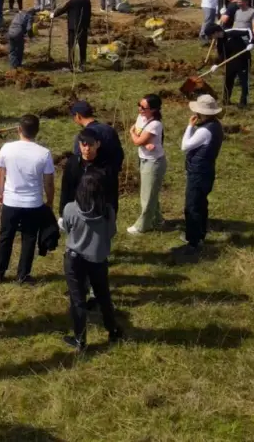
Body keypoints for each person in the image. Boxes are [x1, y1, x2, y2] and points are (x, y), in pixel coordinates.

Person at [60, 170, 123, 351]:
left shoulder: (70, 209)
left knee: (77, 300)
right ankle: (112, 330)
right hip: (98, 259)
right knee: (103, 296)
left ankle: (80, 340)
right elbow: (111, 233)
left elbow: (66, 227)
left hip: (74, 260)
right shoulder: (108, 212)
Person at [0, 114, 55, 284]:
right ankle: (23, 274)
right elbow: (48, 182)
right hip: (33, 203)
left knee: (6, 236)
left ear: (19, 129)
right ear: (37, 131)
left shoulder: (7, 148)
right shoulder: (44, 153)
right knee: (29, 238)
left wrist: (0, 192)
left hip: (11, 201)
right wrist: (49, 201)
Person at [180, 94, 225, 252]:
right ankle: (200, 234)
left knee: (192, 206)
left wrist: (189, 127)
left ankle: (193, 240)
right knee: (201, 203)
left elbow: (185, 146)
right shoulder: (217, 126)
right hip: (207, 169)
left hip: (198, 172)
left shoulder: (204, 131)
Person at [69, 101, 123, 213]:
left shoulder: (84, 136)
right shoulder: (109, 130)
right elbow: (119, 154)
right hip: (110, 178)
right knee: (110, 213)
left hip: (90, 183)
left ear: (78, 116)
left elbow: (79, 161)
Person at [127, 93, 167, 235]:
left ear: (154, 110)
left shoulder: (155, 124)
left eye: (144, 107)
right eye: (139, 105)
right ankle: (158, 220)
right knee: (150, 193)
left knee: (147, 196)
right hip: (144, 159)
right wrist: (143, 142)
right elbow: (140, 134)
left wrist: (133, 133)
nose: (140, 109)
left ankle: (142, 226)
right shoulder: (141, 118)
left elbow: (137, 140)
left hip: (153, 163)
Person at [60, 129, 116, 217]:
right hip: (76, 210)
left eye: (91, 145)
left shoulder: (106, 166)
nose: (87, 149)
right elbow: (66, 189)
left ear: (98, 144)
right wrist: (62, 213)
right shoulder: (72, 163)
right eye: (84, 145)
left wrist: (112, 214)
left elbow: (112, 192)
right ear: (79, 144)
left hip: (98, 212)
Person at [205, 23, 254, 107]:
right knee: (228, 81)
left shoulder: (231, 32)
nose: (211, 38)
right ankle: (226, 101)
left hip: (243, 60)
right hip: (230, 62)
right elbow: (221, 55)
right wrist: (216, 65)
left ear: (216, 32)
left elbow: (248, 31)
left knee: (244, 82)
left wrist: (251, 43)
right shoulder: (219, 42)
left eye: (211, 35)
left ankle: (243, 103)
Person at [52, 0, 92, 72]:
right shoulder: (87, 1)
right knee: (83, 46)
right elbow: (89, 14)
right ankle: (82, 65)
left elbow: (63, 10)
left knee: (71, 46)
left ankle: (71, 65)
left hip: (72, 28)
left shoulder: (72, 1)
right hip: (83, 27)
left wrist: (53, 15)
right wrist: (88, 25)